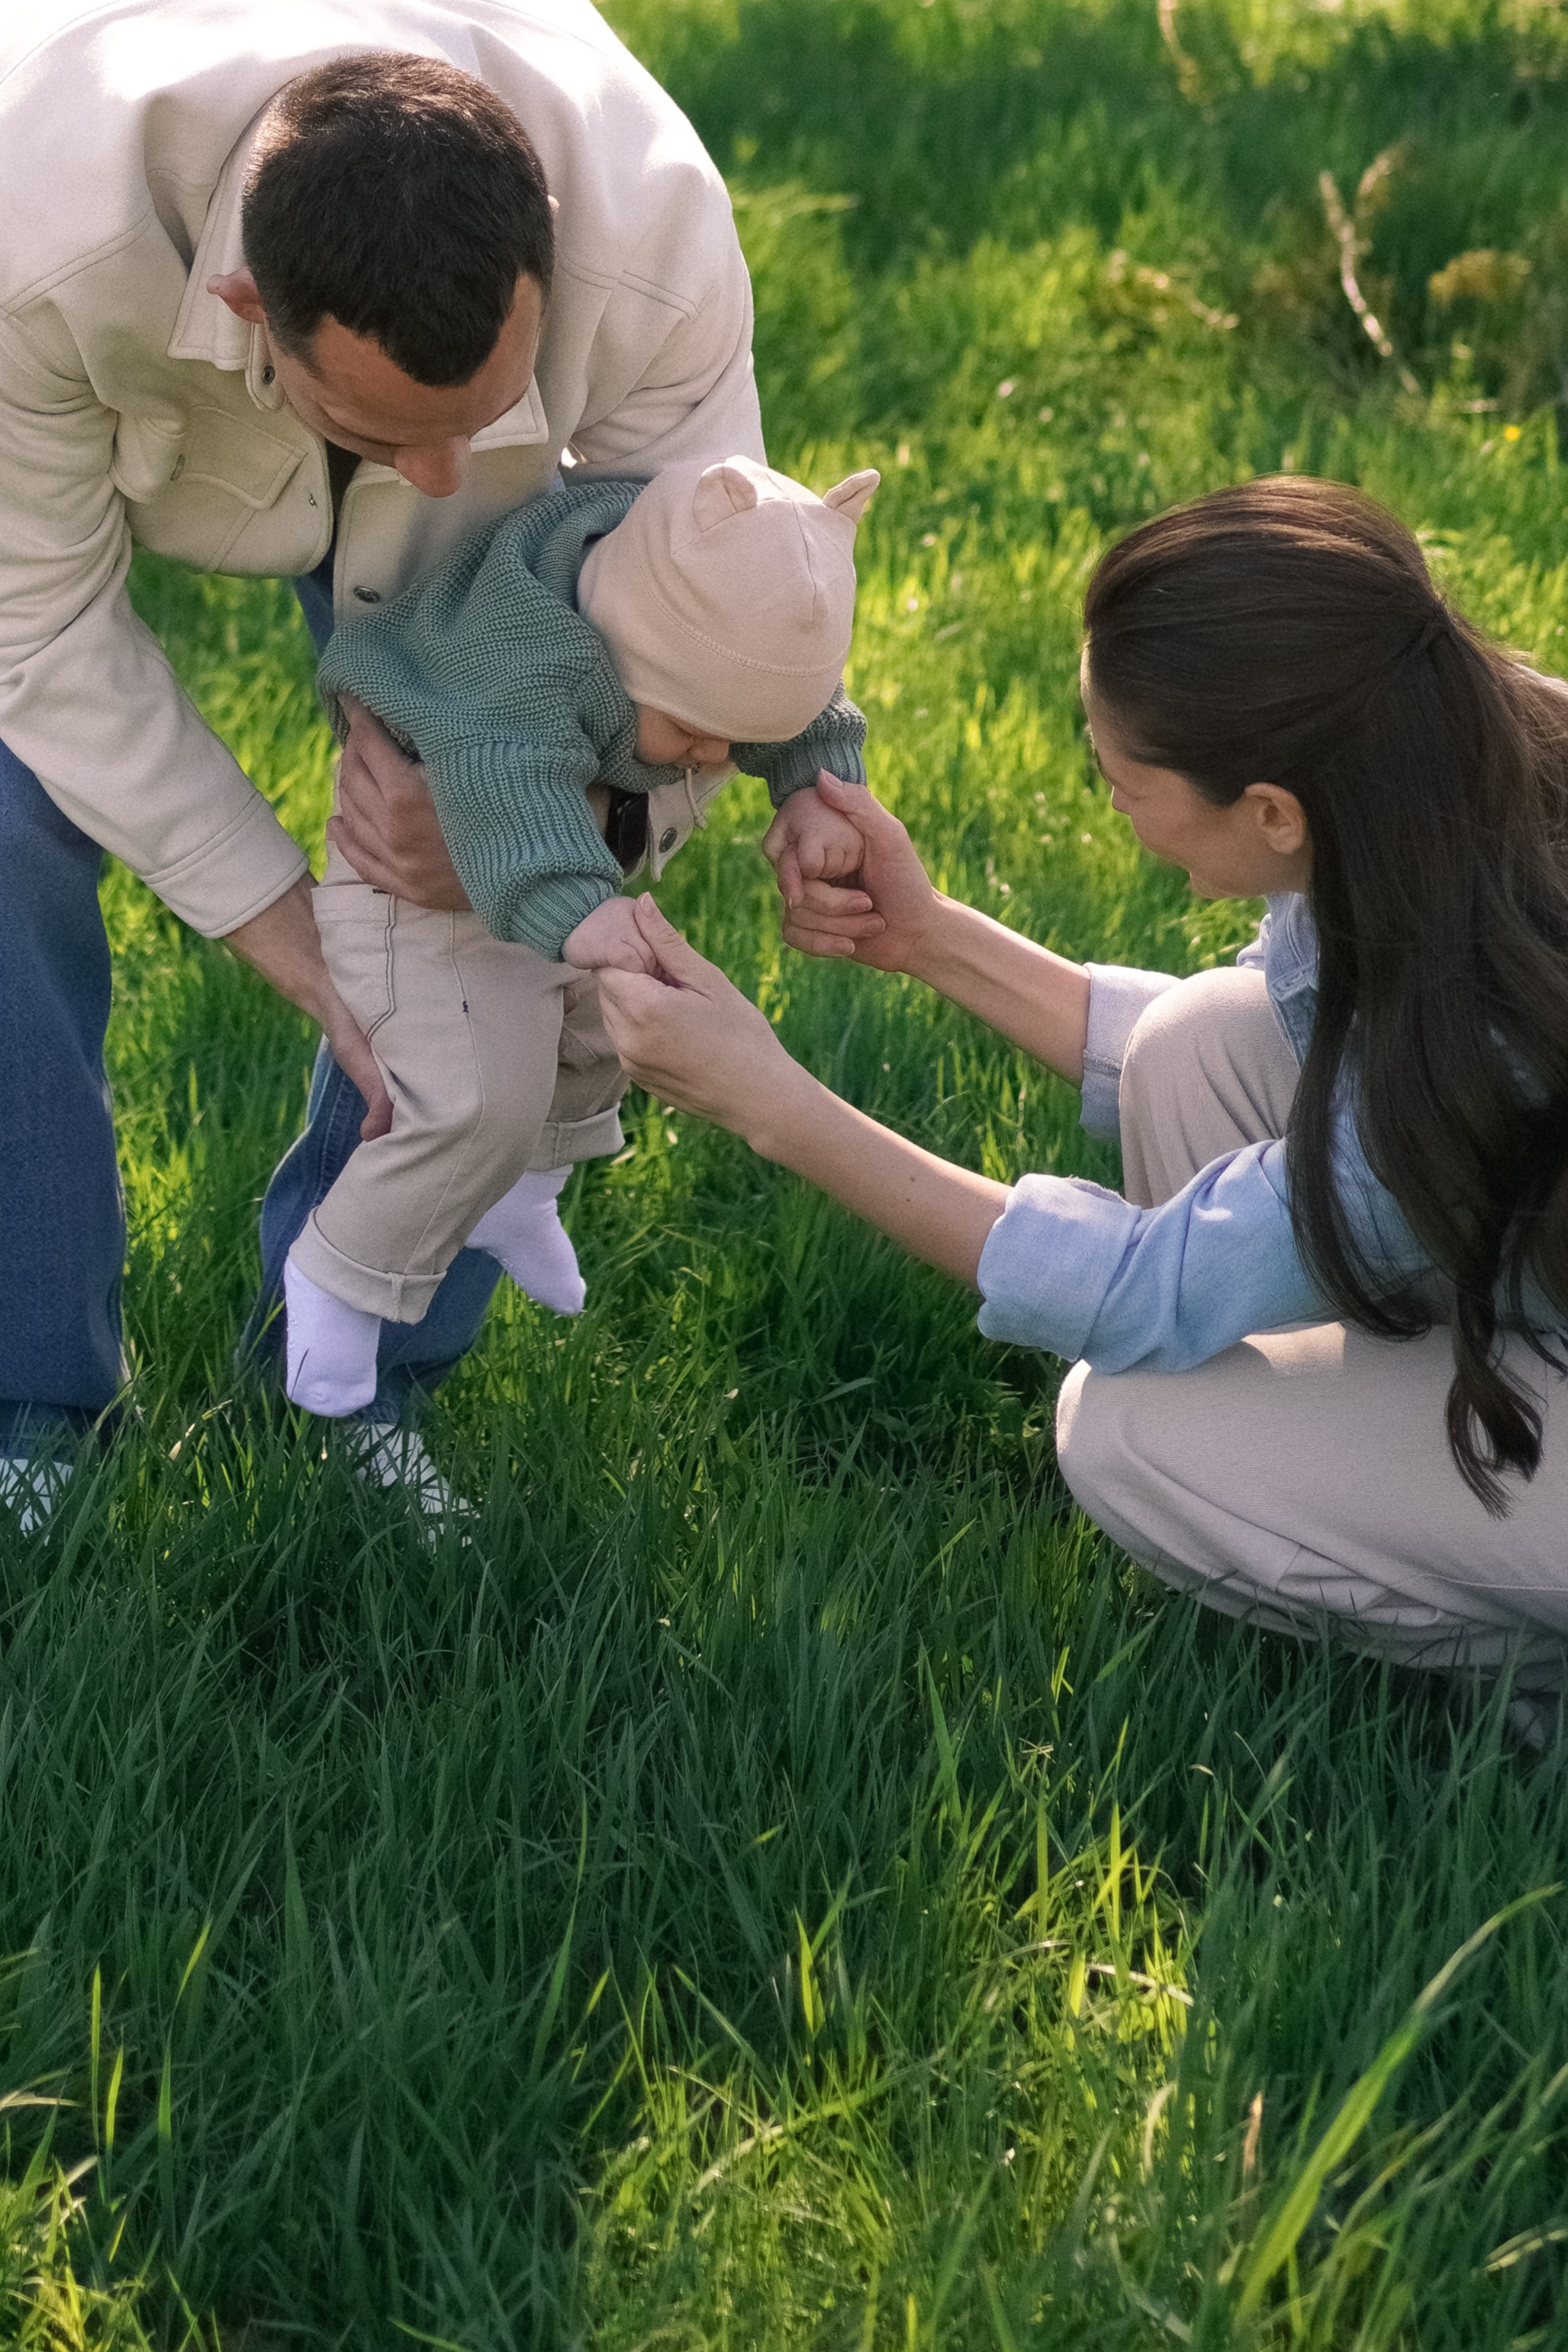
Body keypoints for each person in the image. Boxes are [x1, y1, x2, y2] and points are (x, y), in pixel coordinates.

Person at [0, 5, 813, 1522]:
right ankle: (24, 1401)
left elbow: (711, 627)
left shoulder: (653, 234)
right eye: (391, 436)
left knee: (474, 875)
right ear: (250, 311)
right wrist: (299, 938)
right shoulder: (27, 228)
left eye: (479, 414)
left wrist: (576, 825)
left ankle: (355, 1382)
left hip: (505, 547)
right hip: (70, 379)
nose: (443, 472)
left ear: (548, 248)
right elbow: (33, 629)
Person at [595, 477, 1568, 1725]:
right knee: (1192, 1045)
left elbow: (1140, 1288)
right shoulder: (1448, 759)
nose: (1104, 788)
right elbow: (1322, 1048)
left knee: (1129, 1431)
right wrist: (931, 938)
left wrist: (774, 1102)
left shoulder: (1485, 1023)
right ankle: (1376, 1436)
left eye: (1122, 775)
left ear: (1272, 811)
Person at [285, 454, 877, 1416]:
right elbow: (508, 788)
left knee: (610, 1023)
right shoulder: (527, 654)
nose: (713, 760)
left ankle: (523, 1199)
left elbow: (770, 684)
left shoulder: (668, 597)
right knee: (478, 1100)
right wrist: (588, 913)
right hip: (410, 878)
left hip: (549, 860)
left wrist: (816, 781)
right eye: (691, 729)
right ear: (623, 646)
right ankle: (338, 1276)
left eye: (734, 738)